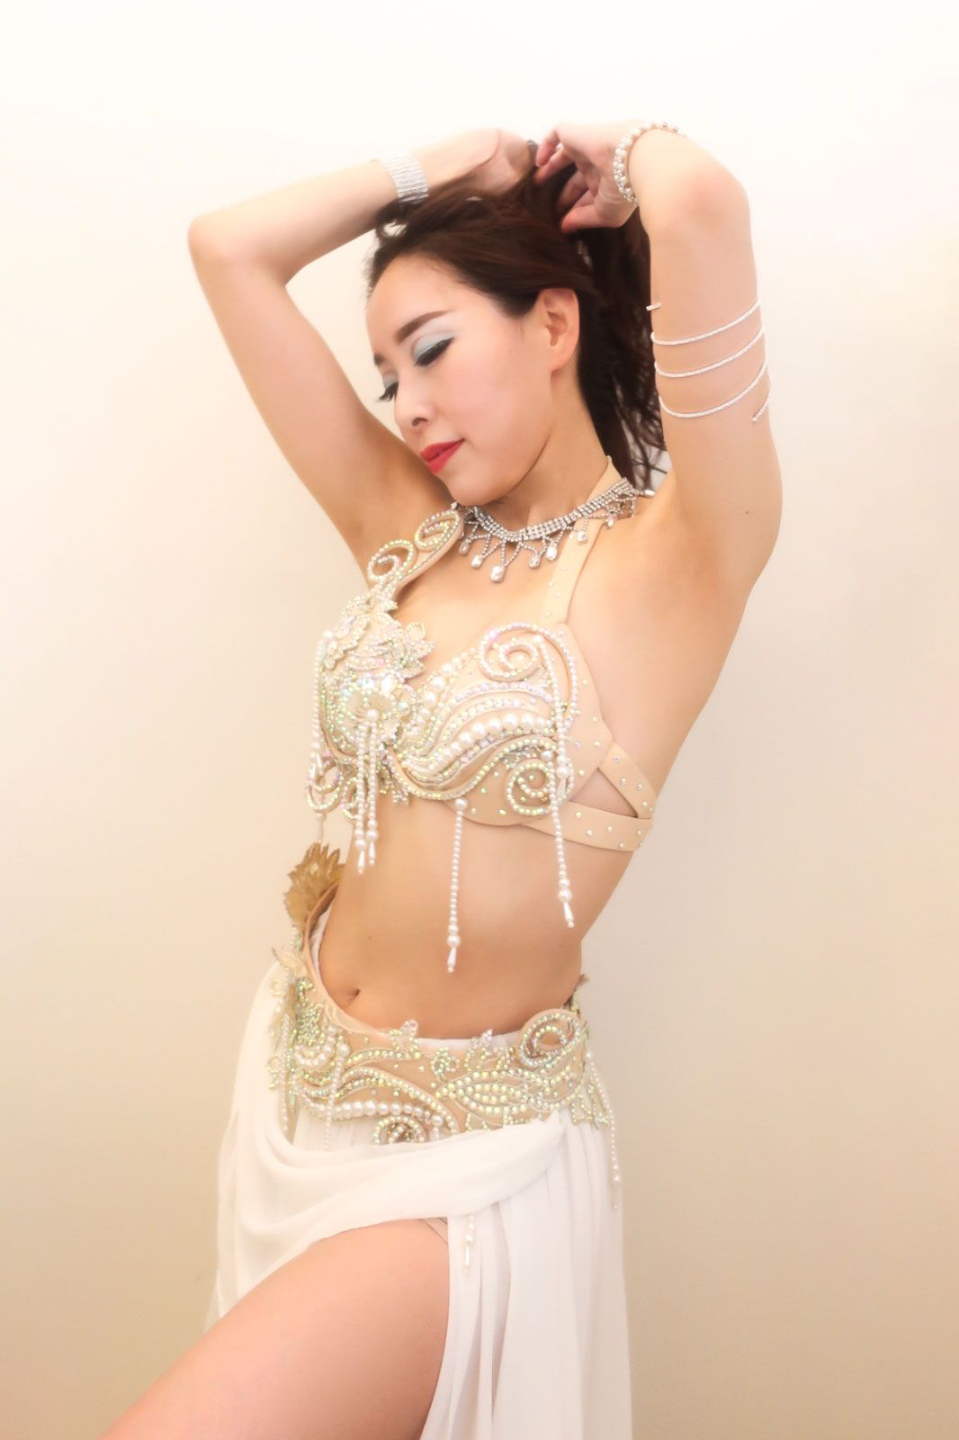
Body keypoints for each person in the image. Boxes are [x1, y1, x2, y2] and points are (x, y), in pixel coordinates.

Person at [101, 120, 781, 1438]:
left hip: (467, 1170)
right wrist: (435, 169)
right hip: (291, 1102)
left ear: (553, 324)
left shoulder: (680, 561)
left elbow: (703, 201)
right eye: (385, 375)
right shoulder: (409, 535)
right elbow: (227, 250)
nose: (405, 405)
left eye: (431, 350)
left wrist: (623, 161)